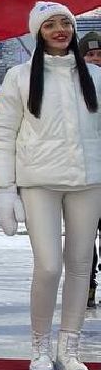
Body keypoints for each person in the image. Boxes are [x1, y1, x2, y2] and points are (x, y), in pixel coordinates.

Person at [0, 2, 101, 370]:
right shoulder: (20, 77)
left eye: (65, 23)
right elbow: (2, 133)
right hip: (39, 182)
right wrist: (4, 189)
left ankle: (69, 350)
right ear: (38, 32)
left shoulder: (95, 77)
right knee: (49, 265)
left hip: (89, 182)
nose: (59, 30)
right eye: (50, 24)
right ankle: (40, 347)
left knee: (80, 266)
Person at [83, 30, 101, 311]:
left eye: (100, 55)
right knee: (83, 238)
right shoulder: (73, 90)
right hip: (84, 177)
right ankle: (85, 287)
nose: (96, 59)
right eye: (90, 55)